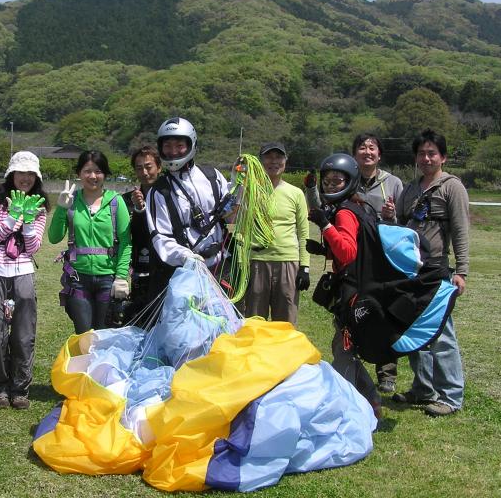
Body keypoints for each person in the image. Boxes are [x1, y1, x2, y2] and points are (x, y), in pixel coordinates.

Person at [393, 130, 469, 417]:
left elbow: (461, 230)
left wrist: (462, 271)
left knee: (441, 333)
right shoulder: (410, 189)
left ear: (443, 157)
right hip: (410, 270)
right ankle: (423, 389)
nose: (426, 158)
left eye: (432, 153)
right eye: (421, 154)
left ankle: (451, 396)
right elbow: (400, 227)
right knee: (415, 332)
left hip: (437, 269)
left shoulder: (452, 187)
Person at [307, 153, 382, 420]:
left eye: (337, 181)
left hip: (353, 290)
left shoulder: (346, 212)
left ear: (349, 181)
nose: (331, 186)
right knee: (344, 345)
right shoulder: (354, 206)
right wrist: (323, 251)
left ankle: (346, 405)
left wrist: (325, 225)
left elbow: (348, 253)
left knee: (344, 348)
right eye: (327, 182)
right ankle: (370, 399)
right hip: (358, 285)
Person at [0, 151, 48, 410]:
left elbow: (33, 248)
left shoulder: (39, 205)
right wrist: (13, 215)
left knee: (23, 334)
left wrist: (29, 222)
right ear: (11, 174)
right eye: (21, 172)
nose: (26, 178)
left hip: (22, 272)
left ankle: (20, 389)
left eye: (31, 174)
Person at [48, 150, 132, 334]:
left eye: (98, 171)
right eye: (87, 171)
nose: (93, 176)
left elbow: (126, 243)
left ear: (105, 174)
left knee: (105, 334)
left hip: (108, 279)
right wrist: (62, 208)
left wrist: (121, 277)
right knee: (84, 335)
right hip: (78, 278)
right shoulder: (72, 200)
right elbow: (54, 237)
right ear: (79, 173)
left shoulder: (116, 202)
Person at [145, 117, 229, 297]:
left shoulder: (212, 177)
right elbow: (160, 237)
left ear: (192, 145)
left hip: (220, 269)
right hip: (184, 274)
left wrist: (241, 189)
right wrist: (186, 256)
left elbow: (231, 216)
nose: (173, 151)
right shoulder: (158, 192)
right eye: (167, 145)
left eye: (179, 145)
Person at [351, 133, 404, 394]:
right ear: (354, 155)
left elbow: (404, 223)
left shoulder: (393, 183)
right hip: (355, 257)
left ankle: (387, 372)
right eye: (362, 148)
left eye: (372, 148)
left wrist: (392, 217)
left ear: (379, 154)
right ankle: (353, 368)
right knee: (353, 311)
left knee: (383, 314)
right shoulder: (347, 180)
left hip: (384, 258)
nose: (367, 152)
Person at [243, 142, 310, 324]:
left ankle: (285, 354)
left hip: (288, 262)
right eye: (268, 157)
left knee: (285, 323)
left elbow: (303, 232)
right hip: (256, 262)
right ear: (260, 161)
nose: (274, 161)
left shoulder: (295, 193)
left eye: (278, 157)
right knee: (254, 321)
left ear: (285, 161)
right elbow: (240, 225)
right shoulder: (250, 191)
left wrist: (304, 266)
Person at [121, 145, 162, 321]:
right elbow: (129, 234)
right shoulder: (127, 199)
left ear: (159, 167)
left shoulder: (172, 196)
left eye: (148, 166)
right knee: (141, 318)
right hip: (140, 269)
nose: (144, 172)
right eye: (139, 168)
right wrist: (138, 209)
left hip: (167, 267)